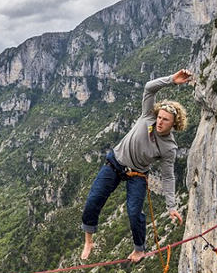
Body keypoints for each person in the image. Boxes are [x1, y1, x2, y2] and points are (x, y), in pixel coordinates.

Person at [80, 69, 192, 263]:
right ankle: (89, 241)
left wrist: (171, 206)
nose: (160, 122)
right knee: (94, 200)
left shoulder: (169, 147)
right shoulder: (147, 115)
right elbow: (149, 88)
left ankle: (139, 249)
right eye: (160, 117)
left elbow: (168, 176)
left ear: (174, 124)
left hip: (137, 174)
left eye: (165, 120)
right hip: (115, 162)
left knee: (134, 213)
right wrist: (171, 80)